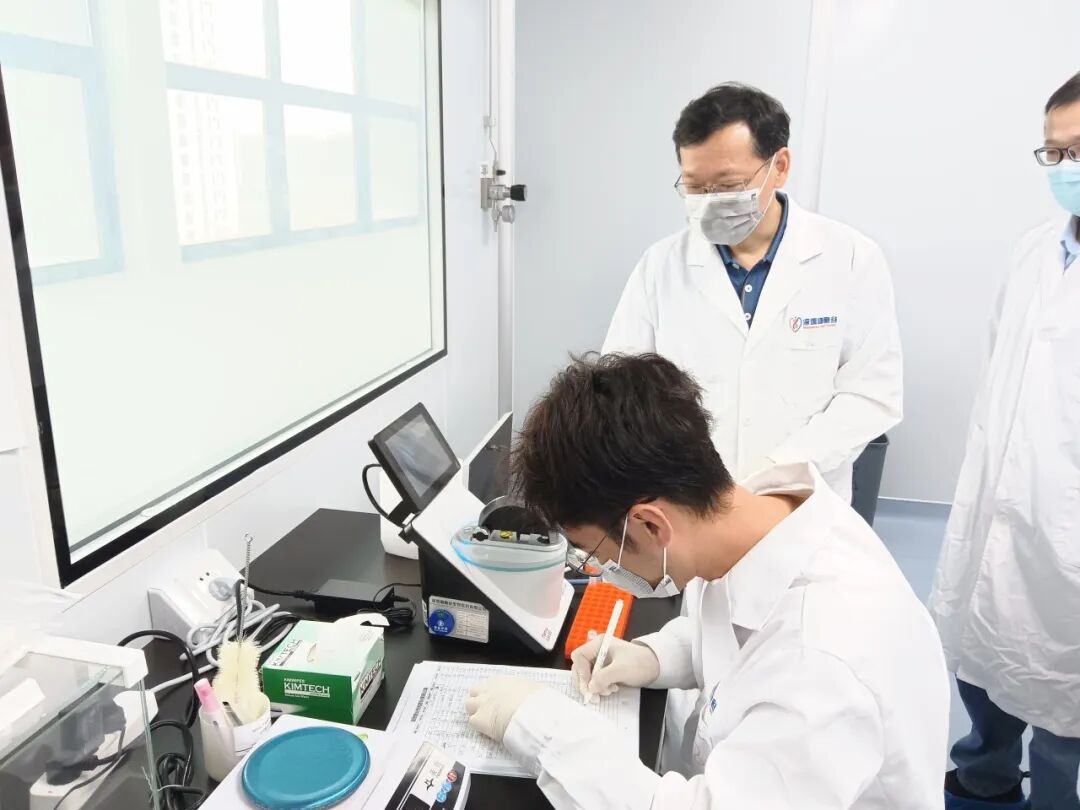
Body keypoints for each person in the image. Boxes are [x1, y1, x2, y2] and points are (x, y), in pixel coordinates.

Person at [464, 353, 949, 810]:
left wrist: (542, 730)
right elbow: (736, 637)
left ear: (649, 524)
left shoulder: (823, 662)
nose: (598, 568)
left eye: (593, 553)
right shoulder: (756, 519)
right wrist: (655, 657)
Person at [603, 83, 902, 505]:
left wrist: (779, 472)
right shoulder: (660, 266)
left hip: (803, 498)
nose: (710, 201)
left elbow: (871, 393)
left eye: (728, 185)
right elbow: (622, 392)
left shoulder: (850, 257)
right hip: (689, 500)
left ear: (779, 166)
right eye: (695, 187)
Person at [929, 71, 1080, 810]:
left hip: (1069, 523)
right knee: (983, 651)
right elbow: (1000, 376)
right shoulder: (1034, 251)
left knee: (1062, 694)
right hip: (1001, 499)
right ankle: (984, 778)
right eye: (1055, 153)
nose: (1066, 168)